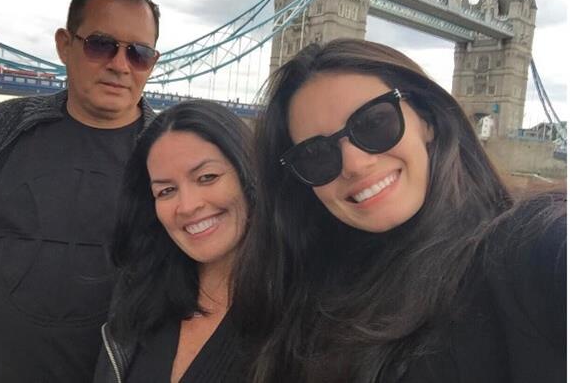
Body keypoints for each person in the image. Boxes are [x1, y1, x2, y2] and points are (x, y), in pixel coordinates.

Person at [232, 38, 566, 382]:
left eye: (374, 123)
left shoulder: (527, 250)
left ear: (427, 119)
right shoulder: (303, 291)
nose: (355, 164)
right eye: (316, 154)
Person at [0, 0, 161, 382]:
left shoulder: (170, 156)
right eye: (100, 44)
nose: (120, 65)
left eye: (139, 54)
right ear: (64, 44)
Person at [93, 100, 254, 382]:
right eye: (166, 190)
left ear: (249, 175)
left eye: (207, 177)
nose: (188, 206)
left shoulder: (312, 317)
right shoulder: (140, 301)